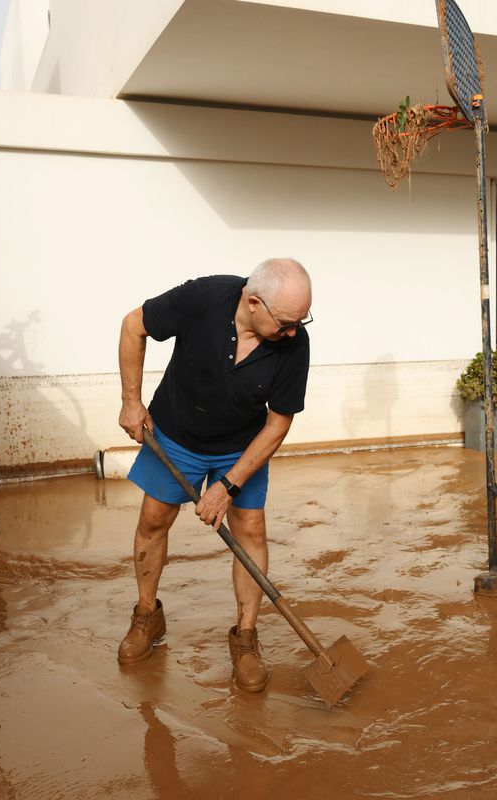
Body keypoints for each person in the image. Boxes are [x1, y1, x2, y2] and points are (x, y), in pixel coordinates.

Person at [116, 258, 313, 693]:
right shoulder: (203, 297)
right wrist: (132, 402)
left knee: (251, 531)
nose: (294, 332)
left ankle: (245, 638)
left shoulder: (294, 345)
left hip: (241, 449)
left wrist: (228, 486)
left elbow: (278, 424)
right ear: (253, 302)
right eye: (286, 323)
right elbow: (134, 325)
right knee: (153, 520)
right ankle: (147, 615)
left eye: (301, 321)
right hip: (175, 433)